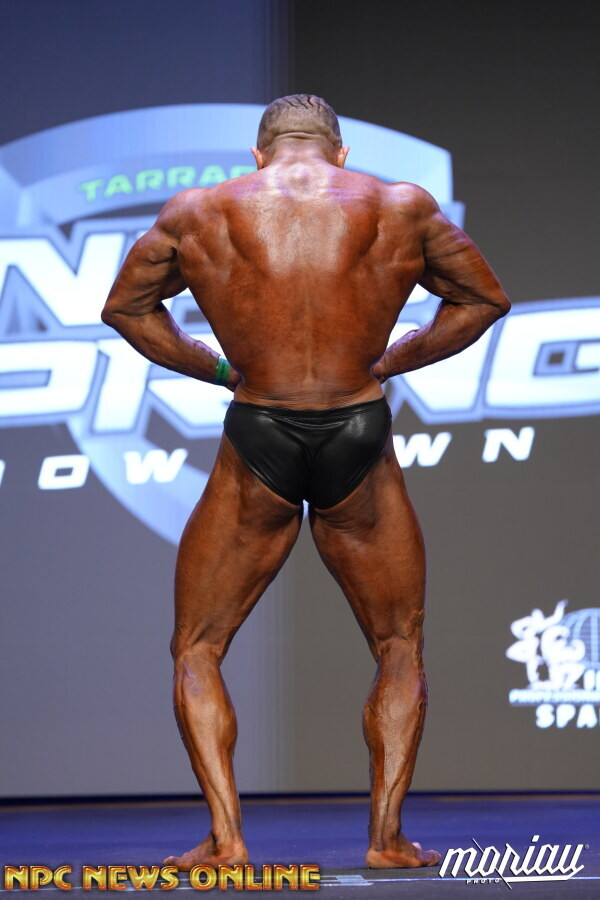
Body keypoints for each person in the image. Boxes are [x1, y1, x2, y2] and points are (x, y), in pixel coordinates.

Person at [101, 94, 510, 870]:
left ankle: (227, 840)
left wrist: (220, 371)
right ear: (340, 152)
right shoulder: (399, 206)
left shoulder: (199, 211)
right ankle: (386, 840)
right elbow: (485, 299)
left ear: (259, 155)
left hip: (260, 429)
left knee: (198, 647)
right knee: (398, 643)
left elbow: (126, 309)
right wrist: (396, 359)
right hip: (358, 429)